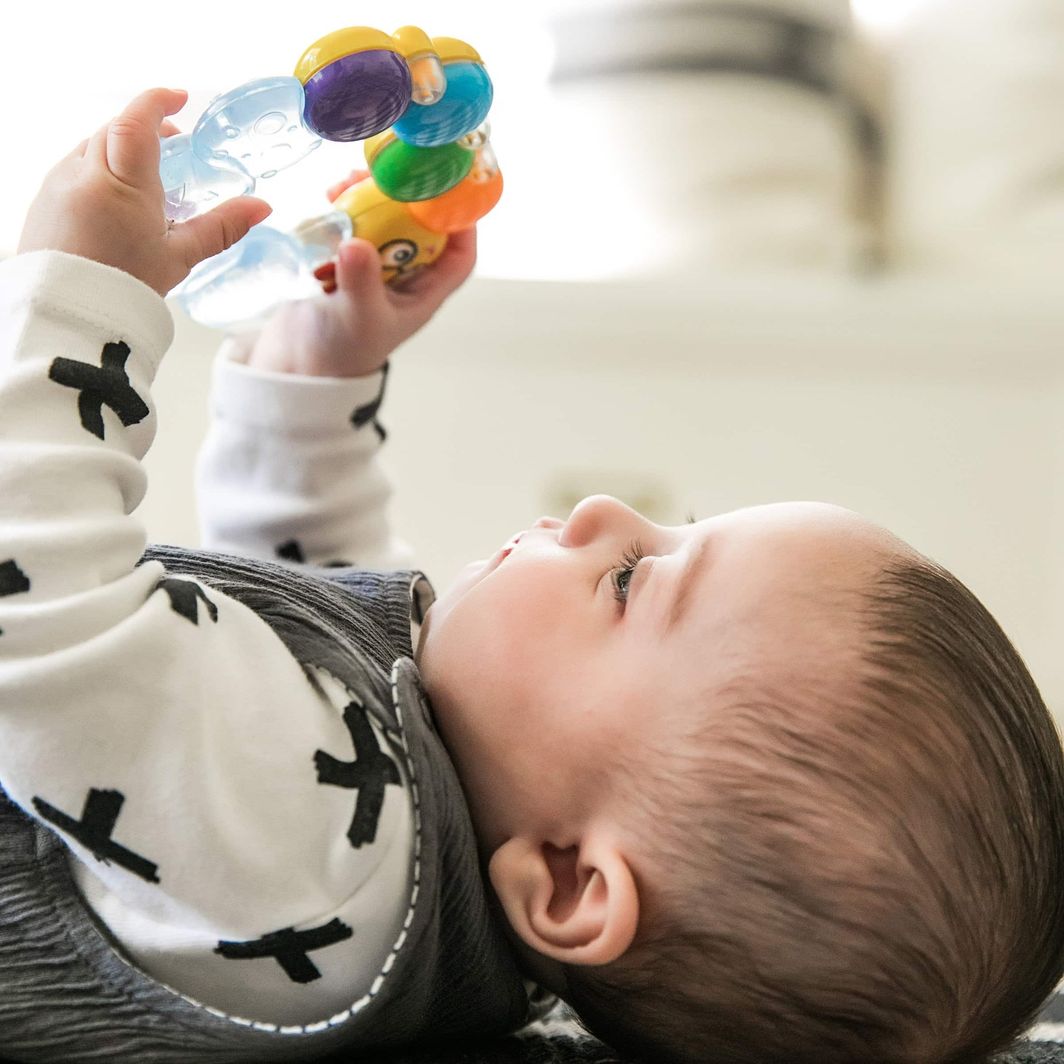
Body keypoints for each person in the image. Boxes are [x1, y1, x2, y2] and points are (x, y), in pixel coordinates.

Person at [1, 87, 1063, 1064]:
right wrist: (314, 376)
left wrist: (82, 300)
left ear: (565, 880)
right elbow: (262, 661)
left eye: (630, 582)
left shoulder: (319, 871)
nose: (602, 511)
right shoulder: (390, 819)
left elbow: (44, 625)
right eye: (673, 525)